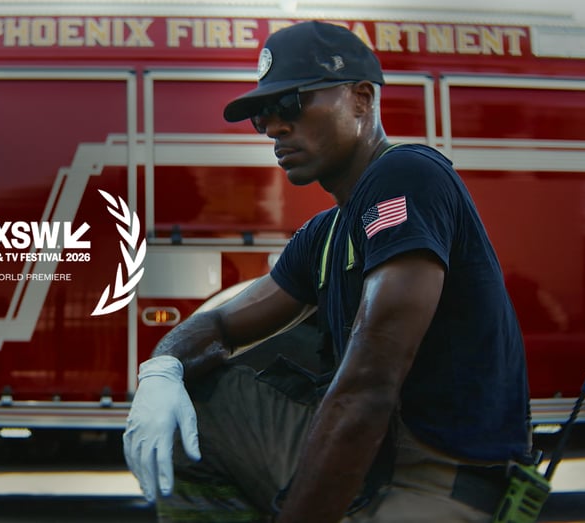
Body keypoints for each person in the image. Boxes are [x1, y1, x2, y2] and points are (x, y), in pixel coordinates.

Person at [122, 21, 532, 523]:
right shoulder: (326, 232)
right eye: (262, 116)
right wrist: (160, 371)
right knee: (195, 401)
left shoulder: (407, 174)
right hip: (375, 469)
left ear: (361, 99)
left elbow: (368, 385)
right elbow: (219, 324)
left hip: (435, 480)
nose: (273, 127)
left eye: (290, 104)